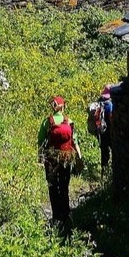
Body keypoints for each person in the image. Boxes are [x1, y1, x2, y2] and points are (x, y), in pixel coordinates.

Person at [37, 95, 76, 233]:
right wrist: (79, 159)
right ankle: (66, 214)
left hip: (52, 159)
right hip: (66, 157)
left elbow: (41, 141)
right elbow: (74, 141)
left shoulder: (47, 122)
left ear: (53, 108)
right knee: (64, 185)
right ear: (63, 107)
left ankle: (56, 216)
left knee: (52, 186)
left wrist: (40, 158)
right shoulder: (69, 121)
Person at [97, 85, 113, 174]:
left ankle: (104, 171)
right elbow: (111, 118)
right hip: (109, 131)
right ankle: (112, 172)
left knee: (104, 151)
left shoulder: (99, 102)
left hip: (101, 131)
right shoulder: (109, 104)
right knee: (114, 150)